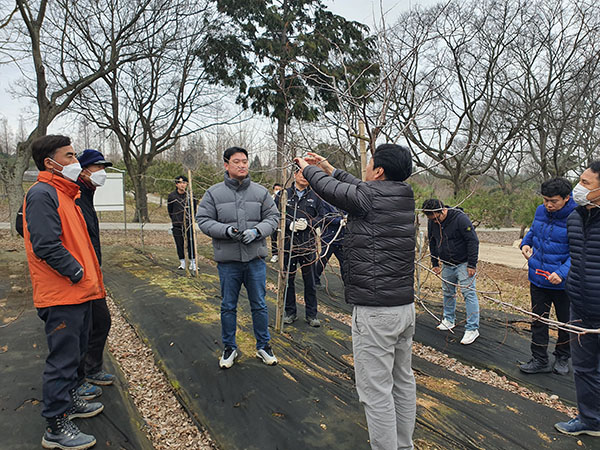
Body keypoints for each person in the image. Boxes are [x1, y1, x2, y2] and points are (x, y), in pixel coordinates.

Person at [295, 144, 416, 450]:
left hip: (376, 313)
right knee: (402, 382)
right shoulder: (403, 195)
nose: (366, 168)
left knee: (375, 392)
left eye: (370, 163)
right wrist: (328, 167)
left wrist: (307, 169)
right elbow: (356, 187)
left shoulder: (370, 197)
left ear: (379, 171)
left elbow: (333, 190)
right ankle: (404, 446)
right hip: (403, 309)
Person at [23, 135, 105, 449]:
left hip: (78, 292)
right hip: (62, 293)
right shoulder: (43, 194)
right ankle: (56, 426)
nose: (76, 162)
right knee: (62, 359)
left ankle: (69, 401)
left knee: (75, 353)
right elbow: (46, 244)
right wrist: (75, 270)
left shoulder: (64, 193)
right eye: (70, 156)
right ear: (50, 162)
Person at [196, 147, 279, 369]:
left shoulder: (261, 192)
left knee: (260, 305)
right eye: (236, 162)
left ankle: (264, 346)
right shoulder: (214, 193)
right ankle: (229, 347)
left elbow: (273, 217)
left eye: (245, 161)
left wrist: (258, 231)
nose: (242, 165)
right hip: (228, 262)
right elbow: (203, 219)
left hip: (255, 260)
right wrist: (226, 231)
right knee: (228, 306)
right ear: (226, 165)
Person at [554, 162, 600, 437]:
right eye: (579, 181)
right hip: (580, 307)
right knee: (582, 369)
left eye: (586, 183)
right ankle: (590, 420)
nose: (578, 188)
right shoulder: (574, 217)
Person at [519, 178, 575, 375]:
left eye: (554, 201)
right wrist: (525, 243)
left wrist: (561, 273)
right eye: (545, 200)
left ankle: (562, 356)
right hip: (538, 277)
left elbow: (580, 251)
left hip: (563, 284)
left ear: (567, 198)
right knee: (538, 320)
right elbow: (534, 231)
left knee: (565, 323)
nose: (549, 205)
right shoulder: (540, 210)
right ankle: (539, 358)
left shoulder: (577, 216)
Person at [74, 149, 116, 401]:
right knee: (79, 330)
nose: (102, 173)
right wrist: (73, 266)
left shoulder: (86, 195)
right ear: (83, 170)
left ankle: (92, 369)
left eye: (104, 168)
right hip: (78, 275)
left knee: (100, 322)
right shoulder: (72, 196)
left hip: (92, 273)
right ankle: (77, 380)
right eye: (97, 167)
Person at [422, 199, 480, 345]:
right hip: (447, 263)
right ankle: (449, 319)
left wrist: (472, 264)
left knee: (469, 294)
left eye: (436, 218)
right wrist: (435, 262)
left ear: (442, 211)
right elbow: (433, 241)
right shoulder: (432, 222)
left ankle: (472, 328)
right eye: (431, 219)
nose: (434, 222)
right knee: (447, 292)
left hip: (464, 263)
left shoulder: (460, 218)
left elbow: (473, 241)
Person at [275, 168, 327, 327]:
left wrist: (309, 224)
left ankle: (312, 315)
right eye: (301, 174)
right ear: (295, 175)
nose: (304, 178)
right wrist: (289, 225)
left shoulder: (316, 197)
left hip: (308, 245)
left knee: (310, 282)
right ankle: (290, 312)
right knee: (288, 281)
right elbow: (275, 215)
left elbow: (323, 217)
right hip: (288, 244)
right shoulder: (284, 195)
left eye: (307, 175)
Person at [168, 175, 198, 270]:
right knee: (179, 243)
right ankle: (182, 262)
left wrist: (190, 219)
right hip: (177, 224)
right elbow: (170, 210)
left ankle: (192, 262)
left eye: (184, 183)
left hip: (189, 223)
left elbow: (194, 209)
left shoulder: (191, 195)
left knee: (191, 242)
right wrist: (175, 219)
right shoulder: (172, 196)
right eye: (180, 183)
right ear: (176, 184)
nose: (182, 185)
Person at [314, 202, 346, 287]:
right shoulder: (325, 203)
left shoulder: (342, 203)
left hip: (340, 238)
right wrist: (339, 221)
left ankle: (347, 282)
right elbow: (325, 217)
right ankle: (315, 279)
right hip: (329, 238)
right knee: (323, 259)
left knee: (344, 262)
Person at [270, 183, 283, 263]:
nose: (277, 191)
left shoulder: (284, 198)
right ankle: (275, 254)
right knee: (273, 237)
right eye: (276, 189)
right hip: (273, 220)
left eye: (279, 190)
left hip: (283, 221)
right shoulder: (270, 198)